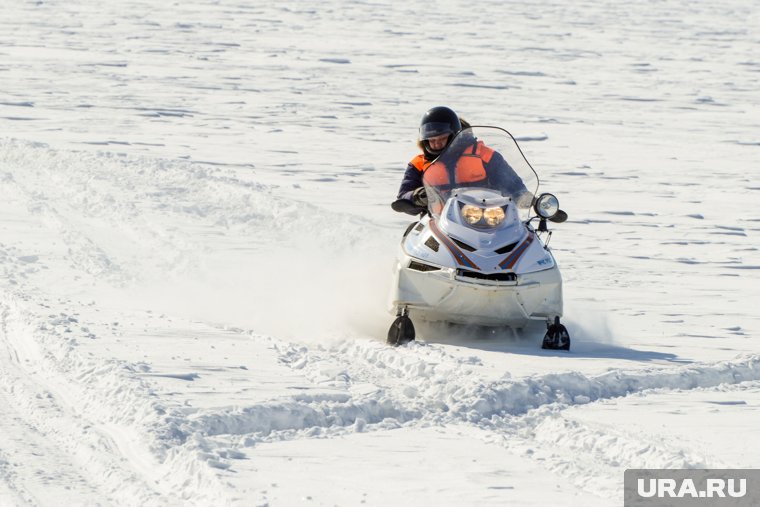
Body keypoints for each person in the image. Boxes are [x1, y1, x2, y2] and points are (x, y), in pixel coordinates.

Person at [396, 106, 532, 209]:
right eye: (431, 140)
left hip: (488, 217)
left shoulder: (484, 156)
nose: (436, 143)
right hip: (439, 223)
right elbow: (403, 196)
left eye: (442, 138)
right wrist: (417, 196)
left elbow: (513, 185)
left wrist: (525, 198)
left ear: (455, 135)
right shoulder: (419, 164)